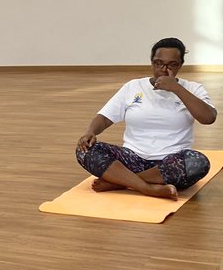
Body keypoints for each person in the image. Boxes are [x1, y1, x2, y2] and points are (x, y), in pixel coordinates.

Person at [76, 37, 216, 199]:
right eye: (158, 63)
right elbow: (106, 117)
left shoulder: (192, 88)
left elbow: (208, 118)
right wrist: (90, 131)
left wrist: (177, 89)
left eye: (172, 65)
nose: (164, 70)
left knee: (198, 162)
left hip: (171, 162)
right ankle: (149, 188)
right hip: (131, 159)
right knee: (85, 150)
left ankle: (120, 182)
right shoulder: (133, 86)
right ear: (151, 62)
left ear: (180, 65)